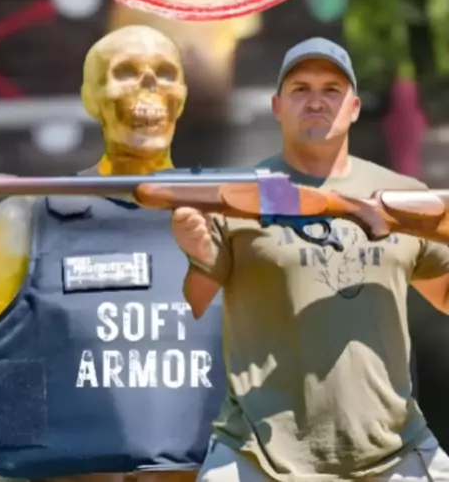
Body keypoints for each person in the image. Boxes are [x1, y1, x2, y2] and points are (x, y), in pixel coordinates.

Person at [171, 37, 449, 482]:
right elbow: (196, 301)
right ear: (277, 106)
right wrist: (198, 251)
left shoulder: (401, 196)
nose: (316, 101)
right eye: (300, 89)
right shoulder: (241, 195)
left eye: (331, 90)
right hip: (258, 453)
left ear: (354, 108)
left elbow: (445, 296)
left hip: (393, 448)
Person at [0, 25, 224, 482]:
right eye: (126, 72)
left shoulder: (234, 220)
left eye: (165, 74)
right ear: (91, 97)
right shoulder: (26, 220)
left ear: (183, 95)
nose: (149, 88)